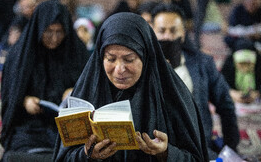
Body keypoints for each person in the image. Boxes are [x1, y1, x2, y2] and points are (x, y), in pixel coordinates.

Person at [53, 12, 209, 161]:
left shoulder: (172, 95)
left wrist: (166, 153)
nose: (119, 69)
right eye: (111, 59)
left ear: (146, 56)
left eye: (129, 59)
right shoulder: (86, 92)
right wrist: (87, 154)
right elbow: (63, 157)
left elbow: (196, 158)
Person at [0, 0, 90, 161]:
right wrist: (24, 100)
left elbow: (90, 87)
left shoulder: (76, 52)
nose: (54, 38)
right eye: (48, 31)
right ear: (38, 29)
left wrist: (74, 92)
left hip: (67, 125)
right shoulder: (20, 55)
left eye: (60, 32)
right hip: (30, 125)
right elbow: (9, 94)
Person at [151, 3, 239, 159]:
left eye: (173, 31)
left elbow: (225, 104)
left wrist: (230, 148)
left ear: (183, 34)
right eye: (162, 31)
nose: (168, 37)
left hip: (198, 147)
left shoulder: (203, 63)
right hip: (156, 149)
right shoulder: (144, 66)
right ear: (152, 33)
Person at [221, 40, 261, 104]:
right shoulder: (228, 67)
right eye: (241, 64)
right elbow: (220, 84)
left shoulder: (259, 65)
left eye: (249, 64)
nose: (245, 68)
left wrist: (257, 93)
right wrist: (231, 92)